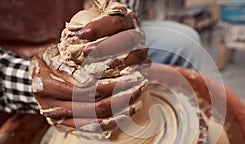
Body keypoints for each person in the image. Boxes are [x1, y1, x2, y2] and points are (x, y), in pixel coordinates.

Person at [0, 0, 201, 127]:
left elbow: (119, 7)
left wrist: (117, 15)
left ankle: (189, 124)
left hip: (88, 34)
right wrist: (35, 83)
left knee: (183, 42)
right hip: (19, 64)